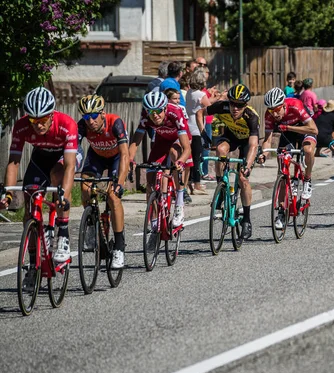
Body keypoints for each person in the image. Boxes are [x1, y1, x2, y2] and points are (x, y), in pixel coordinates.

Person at [0, 87, 78, 267]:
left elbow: (69, 166)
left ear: (51, 115)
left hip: (63, 157)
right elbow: (13, 162)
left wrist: (64, 197)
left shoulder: (67, 124)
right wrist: (8, 194)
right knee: (29, 207)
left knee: (57, 175)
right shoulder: (21, 126)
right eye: (34, 120)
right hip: (40, 157)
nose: (38, 125)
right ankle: (33, 264)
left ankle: (63, 235)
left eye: (43, 120)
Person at [77, 95, 129, 269]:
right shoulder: (83, 126)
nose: (90, 121)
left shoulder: (115, 123)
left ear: (102, 114)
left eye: (93, 116)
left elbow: (124, 154)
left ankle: (120, 247)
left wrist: (120, 183)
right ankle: (92, 227)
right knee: (84, 188)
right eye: (86, 117)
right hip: (96, 157)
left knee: (113, 196)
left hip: (116, 158)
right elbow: (72, 148)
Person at [129, 91, 191, 233]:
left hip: (179, 140)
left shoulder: (175, 113)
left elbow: (186, 148)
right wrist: (130, 159)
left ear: (164, 108)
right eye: (151, 111)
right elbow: (136, 140)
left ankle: (179, 205)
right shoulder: (146, 117)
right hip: (161, 141)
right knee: (150, 182)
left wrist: (181, 162)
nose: (154, 115)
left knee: (175, 154)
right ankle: (155, 223)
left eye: (158, 111)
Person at [205, 84, 259, 240]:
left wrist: (247, 166)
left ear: (245, 105)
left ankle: (247, 220)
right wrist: (203, 134)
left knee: (243, 179)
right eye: (232, 103)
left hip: (246, 143)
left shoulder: (252, 116)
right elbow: (200, 112)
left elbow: (254, 145)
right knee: (220, 151)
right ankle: (221, 187)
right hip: (231, 136)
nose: (235, 108)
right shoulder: (221, 107)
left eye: (240, 105)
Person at [259, 87, 319, 218]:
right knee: (282, 170)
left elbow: (314, 130)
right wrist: (263, 154)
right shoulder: (269, 115)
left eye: (276, 109)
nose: (274, 114)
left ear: (283, 105)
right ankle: (281, 211)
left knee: (308, 150)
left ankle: (307, 180)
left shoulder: (295, 106)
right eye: (270, 110)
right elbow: (267, 140)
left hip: (304, 129)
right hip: (288, 134)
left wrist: (288, 127)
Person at [185, 69, 213, 196]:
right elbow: (210, 107)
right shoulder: (200, 95)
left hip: (188, 126)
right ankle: (196, 184)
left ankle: (189, 183)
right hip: (197, 128)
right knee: (197, 158)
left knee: (190, 158)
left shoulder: (190, 93)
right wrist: (219, 97)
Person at [164, 88, 194, 204]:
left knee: (187, 163)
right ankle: (175, 189)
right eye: (174, 99)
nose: (177, 101)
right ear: (167, 99)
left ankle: (183, 187)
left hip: (182, 135)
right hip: (170, 136)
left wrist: (188, 140)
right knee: (175, 159)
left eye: (178, 98)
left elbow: (185, 126)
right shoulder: (163, 110)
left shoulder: (181, 108)